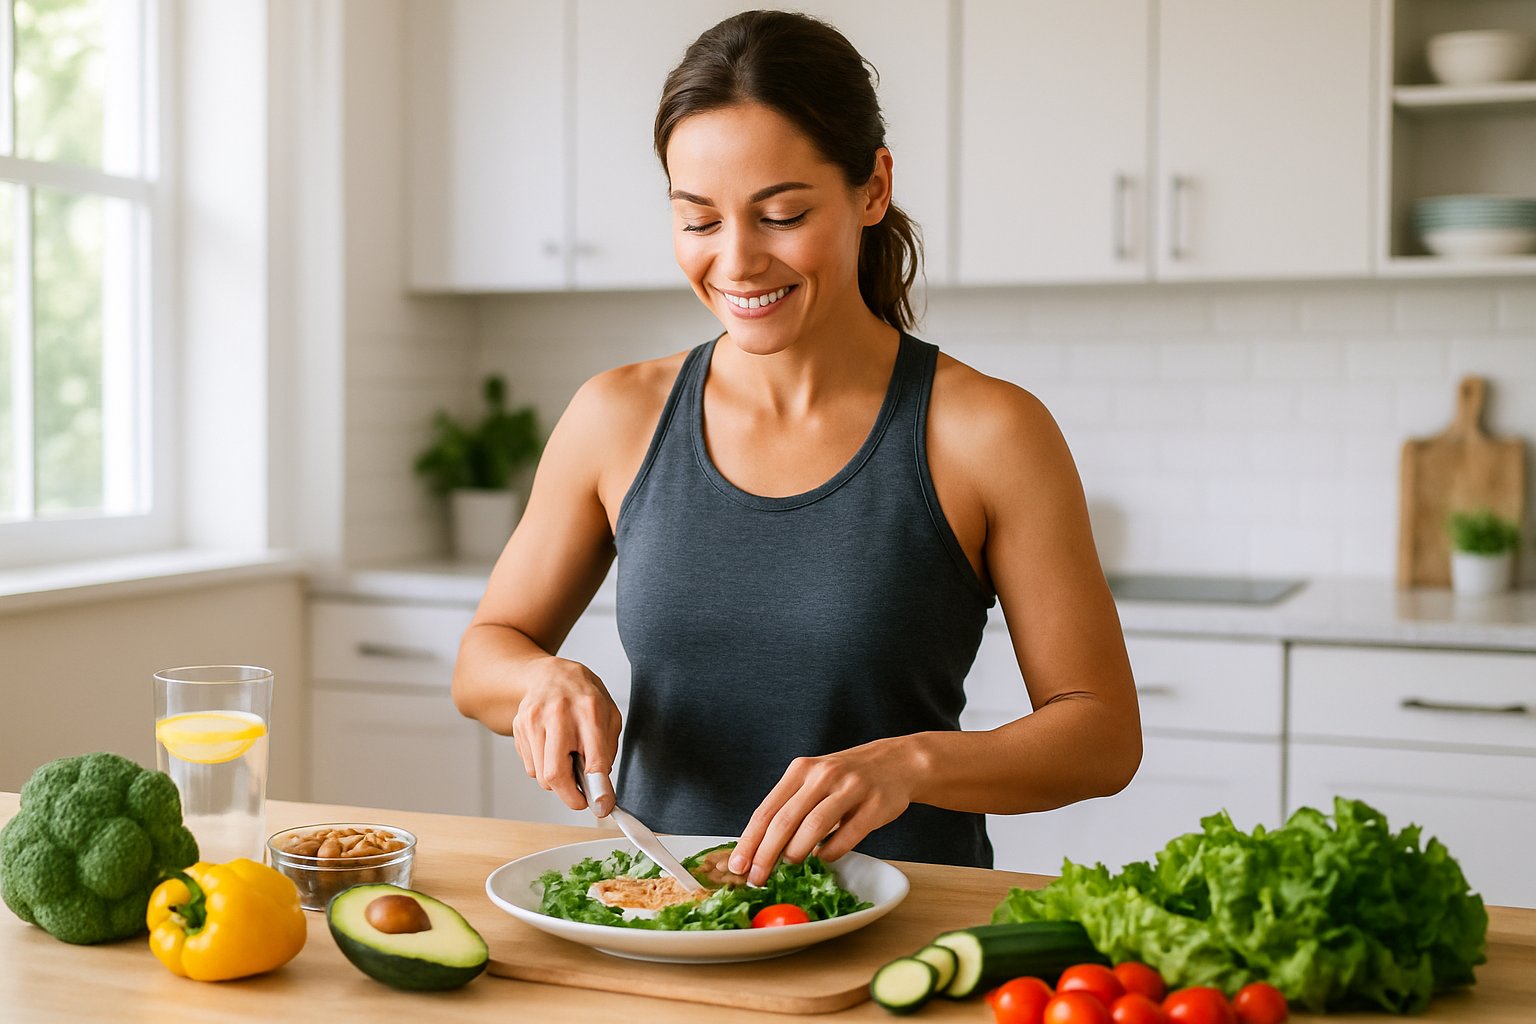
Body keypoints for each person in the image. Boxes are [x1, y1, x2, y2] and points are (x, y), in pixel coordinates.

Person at [451, 9, 1141, 884]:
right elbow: (484, 656)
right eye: (699, 221)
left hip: (902, 930)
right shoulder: (615, 417)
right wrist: (540, 681)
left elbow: (1102, 734)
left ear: (873, 188)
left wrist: (908, 766)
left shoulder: (988, 431)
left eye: (780, 214)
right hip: (665, 917)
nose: (736, 262)